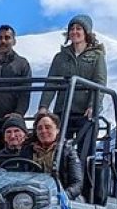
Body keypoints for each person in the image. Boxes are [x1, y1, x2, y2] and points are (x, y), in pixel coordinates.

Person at [38, 14, 107, 163]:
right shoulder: (60, 57)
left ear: (86, 32)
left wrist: (92, 106)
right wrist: (44, 107)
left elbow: (100, 83)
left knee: (85, 152)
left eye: (79, 29)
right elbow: (51, 83)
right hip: (63, 109)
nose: (74, 32)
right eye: (72, 29)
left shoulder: (97, 56)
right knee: (60, 150)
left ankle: (85, 183)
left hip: (85, 112)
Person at [20, 112, 83, 199]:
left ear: (57, 130)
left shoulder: (67, 151)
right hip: (33, 199)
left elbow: (77, 184)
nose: (43, 131)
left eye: (48, 127)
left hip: (63, 199)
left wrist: (62, 197)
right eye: (39, 128)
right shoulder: (27, 151)